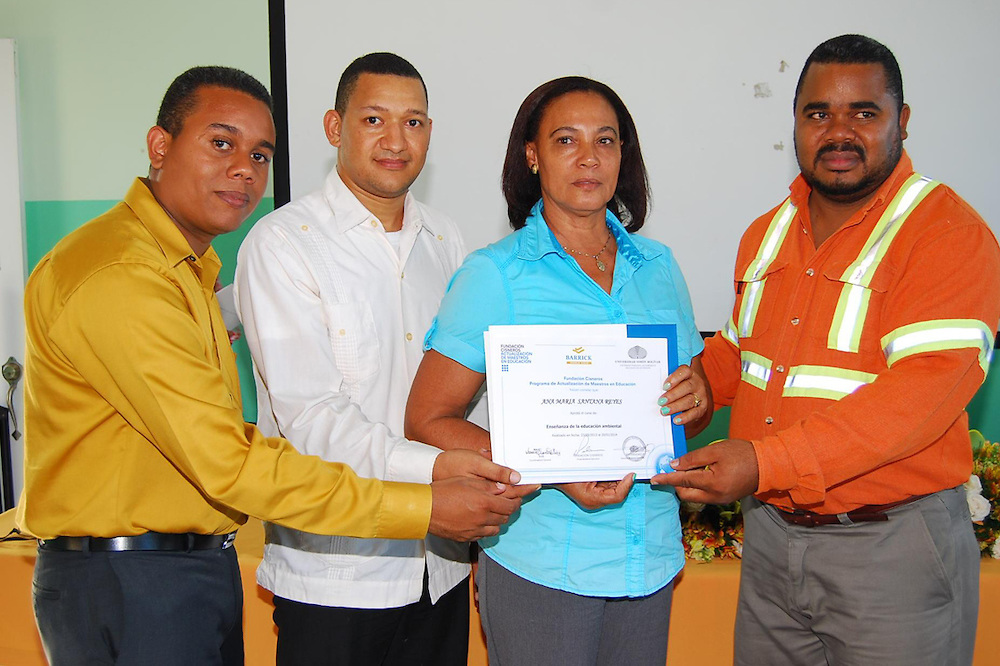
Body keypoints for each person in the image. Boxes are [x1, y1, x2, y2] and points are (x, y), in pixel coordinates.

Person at [16, 65, 524, 666]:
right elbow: (258, 445)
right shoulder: (137, 273)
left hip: (223, 567)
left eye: (260, 155)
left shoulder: (444, 239)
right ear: (160, 146)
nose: (244, 169)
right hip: (161, 578)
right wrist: (430, 492)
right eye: (221, 143)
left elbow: (465, 384)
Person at [656, 34, 1000, 665]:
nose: (838, 131)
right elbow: (740, 353)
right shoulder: (768, 231)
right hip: (771, 543)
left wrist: (762, 464)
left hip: (890, 552)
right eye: (818, 113)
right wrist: (699, 385)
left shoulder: (948, 234)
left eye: (863, 113)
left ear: (902, 120)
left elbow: (918, 398)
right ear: (795, 122)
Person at [405, 76, 711, 665]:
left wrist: (698, 397)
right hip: (542, 561)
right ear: (533, 156)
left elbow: (687, 409)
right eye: (566, 140)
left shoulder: (659, 267)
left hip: (649, 559)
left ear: (625, 155)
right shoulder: (494, 275)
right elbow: (426, 417)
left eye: (606, 140)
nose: (589, 157)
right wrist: (546, 467)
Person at [234, 53, 516, 665]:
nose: (395, 141)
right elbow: (311, 419)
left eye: (413, 123)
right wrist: (442, 471)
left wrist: (515, 456)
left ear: (430, 134)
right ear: (335, 128)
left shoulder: (448, 241)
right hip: (336, 576)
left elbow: (477, 387)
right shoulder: (283, 244)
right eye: (374, 120)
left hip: (441, 567)